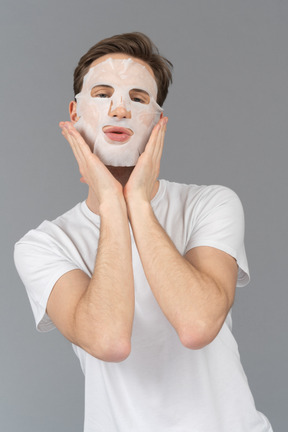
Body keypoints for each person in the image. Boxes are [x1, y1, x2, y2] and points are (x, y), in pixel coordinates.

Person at [14, 32, 273, 432]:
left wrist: (138, 202)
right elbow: (108, 341)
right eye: (102, 94)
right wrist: (113, 206)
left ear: (157, 122)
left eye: (138, 98)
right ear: (75, 112)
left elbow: (197, 325)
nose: (119, 109)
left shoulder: (212, 204)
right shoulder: (43, 245)